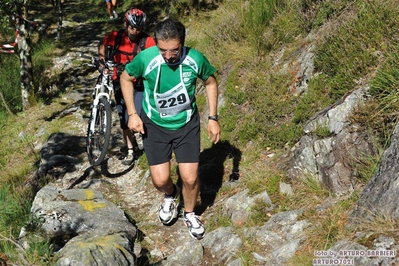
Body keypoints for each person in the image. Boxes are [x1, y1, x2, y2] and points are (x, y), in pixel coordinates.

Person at [120, 18, 220, 239]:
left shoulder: (195, 59)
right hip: (154, 125)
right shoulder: (146, 58)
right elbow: (125, 78)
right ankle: (171, 194)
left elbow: (211, 82)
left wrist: (213, 117)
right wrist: (133, 114)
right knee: (160, 180)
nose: (168, 56)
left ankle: (190, 213)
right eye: (163, 50)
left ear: (182, 43)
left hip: (186, 124)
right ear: (156, 44)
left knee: (191, 178)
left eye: (174, 50)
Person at [98, 8, 156, 165]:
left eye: (138, 28)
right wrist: (102, 61)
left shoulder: (147, 42)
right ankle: (131, 150)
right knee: (123, 118)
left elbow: (154, 60)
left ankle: (148, 144)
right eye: (132, 27)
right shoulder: (115, 37)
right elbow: (102, 45)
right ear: (126, 24)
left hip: (139, 85)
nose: (134, 31)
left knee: (140, 113)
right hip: (119, 82)